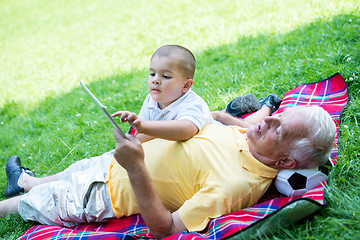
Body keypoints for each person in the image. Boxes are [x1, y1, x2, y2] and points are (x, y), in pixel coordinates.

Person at [1, 105, 336, 238]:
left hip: (103, 194)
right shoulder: (253, 139)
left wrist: (135, 168)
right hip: (112, 163)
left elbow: (166, 228)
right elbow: (225, 120)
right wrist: (239, 117)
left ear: (286, 164)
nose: (268, 120)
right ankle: (24, 181)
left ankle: (17, 199)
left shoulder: (236, 185)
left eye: (278, 128)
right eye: (277, 114)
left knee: (32, 204)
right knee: (70, 171)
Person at [112, 45, 213, 143]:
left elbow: (186, 130)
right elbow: (140, 133)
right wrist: (134, 128)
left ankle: (222, 115)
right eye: (152, 74)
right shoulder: (150, 101)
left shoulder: (193, 104)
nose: (155, 80)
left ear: (186, 85)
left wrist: (144, 127)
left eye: (166, 76)